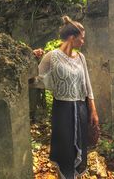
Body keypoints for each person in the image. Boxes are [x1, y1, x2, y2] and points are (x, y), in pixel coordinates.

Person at [33, 15, 99, 179]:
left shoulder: (81, 58)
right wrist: (30, 58)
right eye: (81, 38)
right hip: (62, 110)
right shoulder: (51, 56)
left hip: (81, 108)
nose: (83, 42)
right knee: (65, 148)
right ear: (71, 37)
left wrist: (93, 111)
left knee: (80, 146)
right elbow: (34, 81)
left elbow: (87, 86)